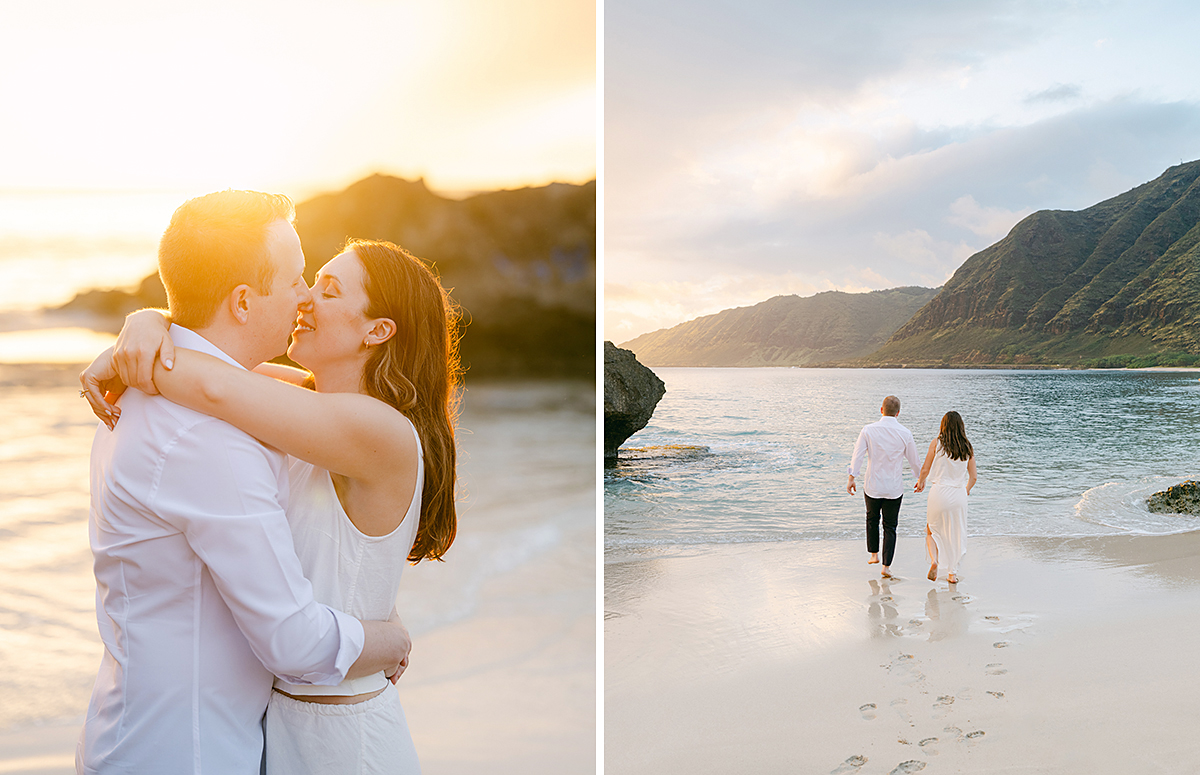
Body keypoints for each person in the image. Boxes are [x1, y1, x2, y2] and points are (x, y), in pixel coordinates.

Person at [82, 231, 460, 774]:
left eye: (329, 290)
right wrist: (146, 323)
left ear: (377, 330)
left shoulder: (382, 430)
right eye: (309, 282)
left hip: (344, 737)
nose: (305, 298)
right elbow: (214, 361)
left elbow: (213, 385)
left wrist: (133, 350)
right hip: (278, 727)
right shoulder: (302, 401)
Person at [846, 395, 920, 578]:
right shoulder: (905, 433)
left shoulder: (868, 430)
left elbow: (858, 455)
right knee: (890, 526)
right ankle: (886, 567)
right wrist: (920, 478)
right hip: (894, 488)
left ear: (881, 410)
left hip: (873, 485)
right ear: (898, 413)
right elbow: (914, 461)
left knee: (872, 518)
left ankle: (874, 554)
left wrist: (852, 477)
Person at [914, 411, 977, 584]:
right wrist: (966, 490)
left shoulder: (936, 443)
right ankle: (952, 574)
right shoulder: (967, 447)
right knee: (956, 534)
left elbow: (925, 469)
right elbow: (973, 477)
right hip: (958, 495)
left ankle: (935, 560)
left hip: (939, 493)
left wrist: (920, 482)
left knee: (931, 530)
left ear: (943, 425)